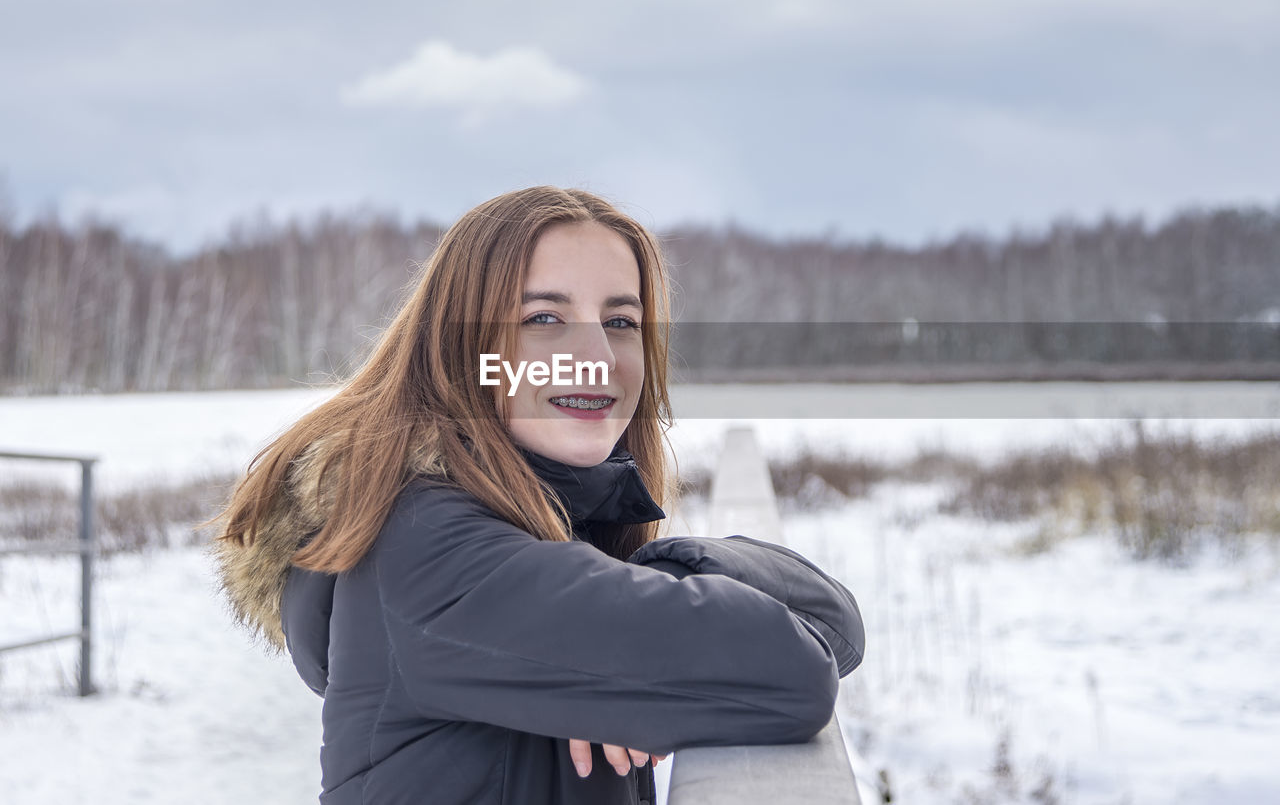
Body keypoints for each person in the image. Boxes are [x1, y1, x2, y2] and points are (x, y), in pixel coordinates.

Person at [209, 186, 865, 805]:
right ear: (466, 349)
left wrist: (655, 575)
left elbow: (839, 622)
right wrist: (642, 615)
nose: (595, 355)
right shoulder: (431, 548)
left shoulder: (545, 524)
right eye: (544, 318)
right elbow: (795, 677)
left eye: (620, 321)